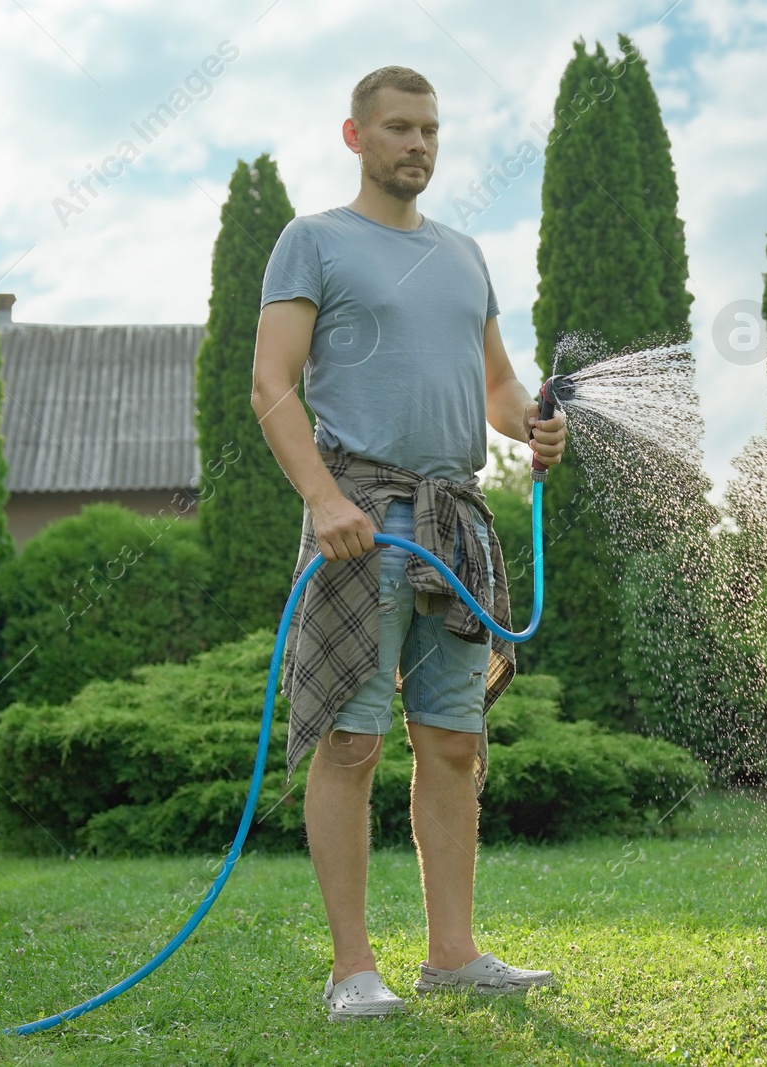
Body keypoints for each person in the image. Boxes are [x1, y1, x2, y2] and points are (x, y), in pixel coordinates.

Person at [249, 65, 568, 1022]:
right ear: (356, 138)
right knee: (350, 741)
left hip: (456, 521)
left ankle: (453, 955)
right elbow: (271, 384)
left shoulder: (467, 255)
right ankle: (353, 970)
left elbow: (499, 388)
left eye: (429, 129)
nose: (417, 144)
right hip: (360, 520)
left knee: (456, 744)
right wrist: (322, 497)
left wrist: (531, 424)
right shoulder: (313, 243)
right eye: (397, 128)